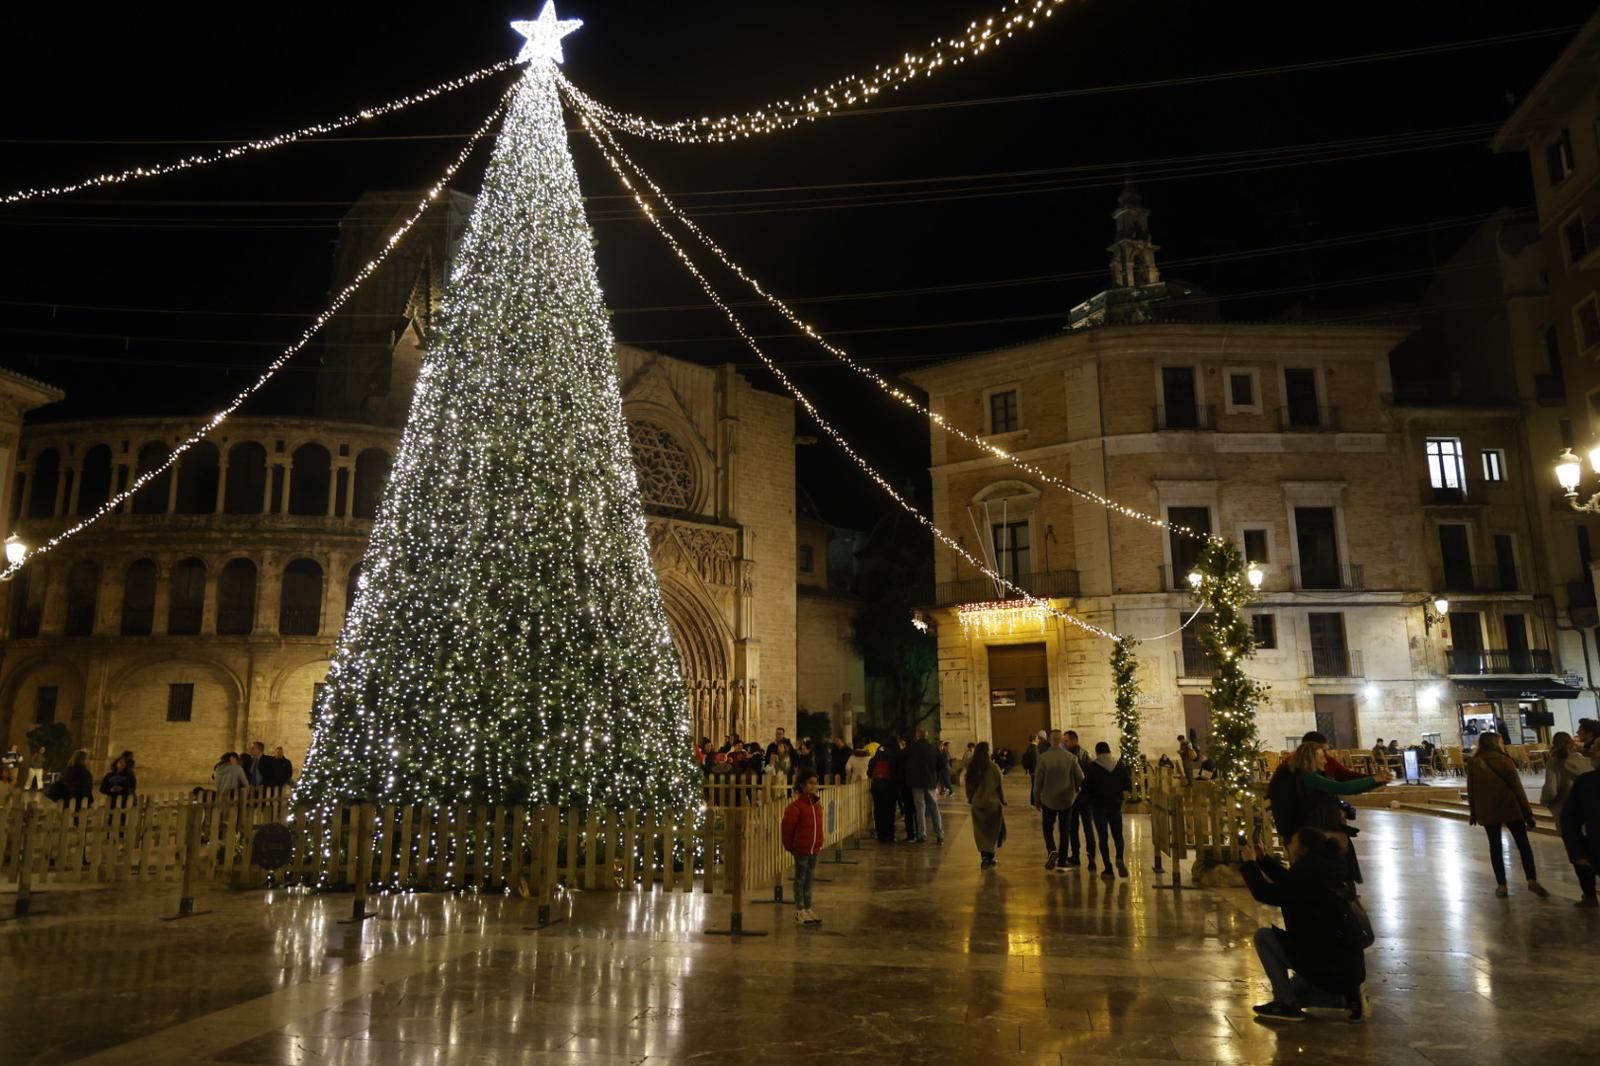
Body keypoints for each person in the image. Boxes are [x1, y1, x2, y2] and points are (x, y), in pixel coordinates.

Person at [1241, 826, 1369, 1023]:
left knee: (1264, 937)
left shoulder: (1306, 878)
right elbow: (1289, 883)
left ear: (1303, 849)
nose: (1287, 847)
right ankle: (1347, 998)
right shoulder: (1327, 870)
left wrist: (1249, 864)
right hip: (1345, 964)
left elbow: (1265, 893)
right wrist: (1263, 860)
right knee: (1298, 990)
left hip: (1323, 961)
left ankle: (1285, 1004)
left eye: (1291, 843)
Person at [1275, 740, 1386, 887]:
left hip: (1310, 829)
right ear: (1310, 759)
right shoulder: (1308, 777)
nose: (1325, 761)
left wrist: (1374, 782)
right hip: (1313, 831)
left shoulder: (1303, 774)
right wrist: (1374, 779)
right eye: (1321, 757)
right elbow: (1341, 787)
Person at [1467, 733, 1549, 899]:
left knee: (1495, 847)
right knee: (1523, 844)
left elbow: (1471, 790)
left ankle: (1502, 885)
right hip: (1510, 807)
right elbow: (1517, 788)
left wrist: (1473, 812)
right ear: (1496, 743)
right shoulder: (1505, 761)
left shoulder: (1474, 762)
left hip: (1488, 810)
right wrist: (1528, 813)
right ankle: (1532, 880)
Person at [1031, 729, 1082, 872]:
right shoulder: (1071, 757)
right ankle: (1063, 860)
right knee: (1065, 829)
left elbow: (1038, 782)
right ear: (1061, 741)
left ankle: (1051, 849)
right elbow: (1081, 777)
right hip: (1067, 799)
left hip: (1048, 799)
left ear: (1050, 741)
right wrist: (1076, 790)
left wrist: (1036, 799)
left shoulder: (1043, 758)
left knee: (1048, 826)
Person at [781, 770, 826, 926]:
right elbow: (787, 828)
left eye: (815, 782)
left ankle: (808, 907)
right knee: (800, 879)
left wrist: (819, 842)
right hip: (801, 848)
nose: (814, 786)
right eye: (810, 783)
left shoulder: (816, 805)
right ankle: (800, 910)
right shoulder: (796, 807)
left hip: (814, 847)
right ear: (802, 785)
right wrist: (789, 845)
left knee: (809, 878)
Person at [1083, 741, 1132, 879]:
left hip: (1098, 806)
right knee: (1118, 835)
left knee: (1103, 837)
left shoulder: (1092, 767)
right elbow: (1127, 784)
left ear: (1097, 752)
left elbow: (1085, 788)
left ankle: (1108, 869)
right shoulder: (1119, 765)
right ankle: (1119, 858)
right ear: (1109, 751)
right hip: (1115, 805)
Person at [965, 741, 1006, 869]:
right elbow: (999, 786)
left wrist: (971, 798)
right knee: (993, 831)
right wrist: (1002, 800)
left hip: (978, 803)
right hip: (993, 804)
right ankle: (991, 856)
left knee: (981, 831)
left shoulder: (972, 768)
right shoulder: (994, 768)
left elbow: (969, 787)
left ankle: (984, 856)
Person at [1061, 730, 1096, 870]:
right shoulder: (1085, 755)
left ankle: (1080, 856)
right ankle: (1086, 856)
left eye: (1066, 741)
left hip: (1078, 797)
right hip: (1083, 797)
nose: (1064, 743)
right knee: (1081, 827)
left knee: (1078, 827)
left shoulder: (1076, 757)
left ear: (1074, 740)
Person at [903, 727, 943, 843]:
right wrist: (934, 773)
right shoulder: (933, 748)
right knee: (934, 807)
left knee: (920, 808)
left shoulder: (912, 748)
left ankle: (922, 834)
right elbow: (941, 764)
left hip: (916, 782)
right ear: (927, 735)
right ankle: (939, 834)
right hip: (930, 781)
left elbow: (902, 757)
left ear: (917, 735)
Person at [867, 743, 899, 843]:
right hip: (890, 788)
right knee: (890, 811)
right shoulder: (893, 758)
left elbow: (869, 773)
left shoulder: (874, 759)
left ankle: (881, 835)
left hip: (877, 788)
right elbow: (897, 773)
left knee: (878, 810)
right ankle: (890, 835)